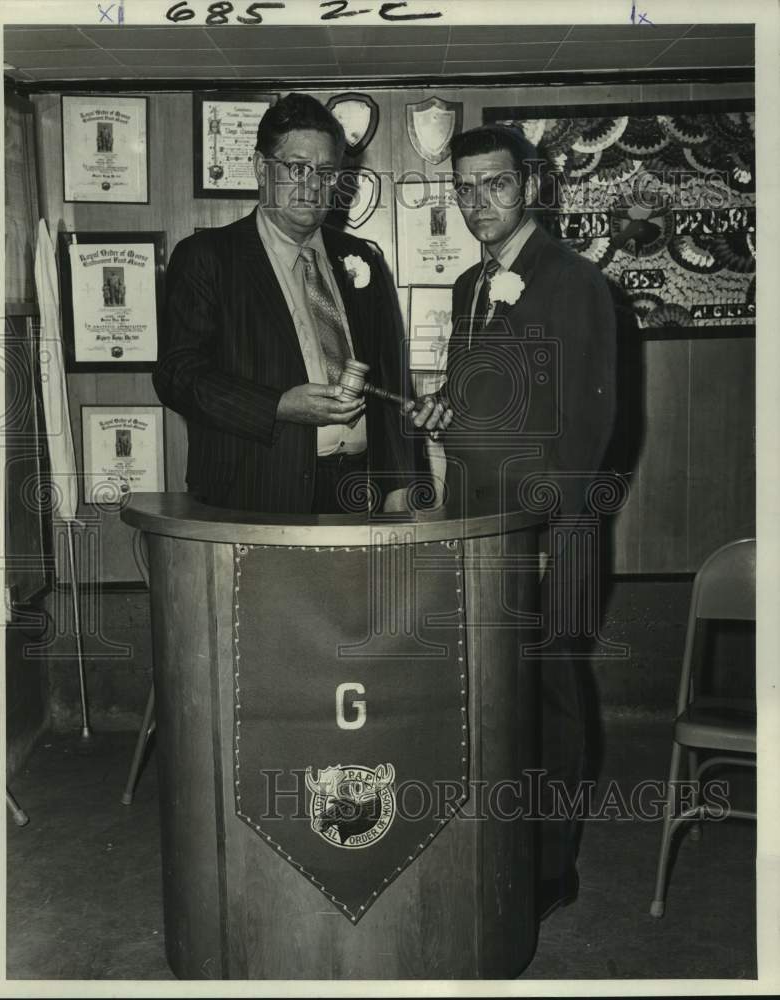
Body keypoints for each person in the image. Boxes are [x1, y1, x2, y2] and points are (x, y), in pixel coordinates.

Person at [436, 124, 617, 919]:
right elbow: (486, 411)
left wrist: (547, 540)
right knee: (493, 696)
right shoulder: (469, 285)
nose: (480, 203)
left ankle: (550, 869)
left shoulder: (573, 281)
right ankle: (504, 846)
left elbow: (587, 429)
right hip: (484, 531)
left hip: (549, 535)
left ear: (532, 184)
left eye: (496, 185)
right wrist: (441, 410)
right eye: (466, 188)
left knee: (547, 698)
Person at [155, 93, 432, 515]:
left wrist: (401, 486)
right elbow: (177, 376)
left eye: (325, 173)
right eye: (297, 168)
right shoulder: (207, 257)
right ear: (259, 168)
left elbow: (390, 379)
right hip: (255, 493)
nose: (311, 186)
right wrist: (279, 406)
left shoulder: (362, 258)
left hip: (360, 494)